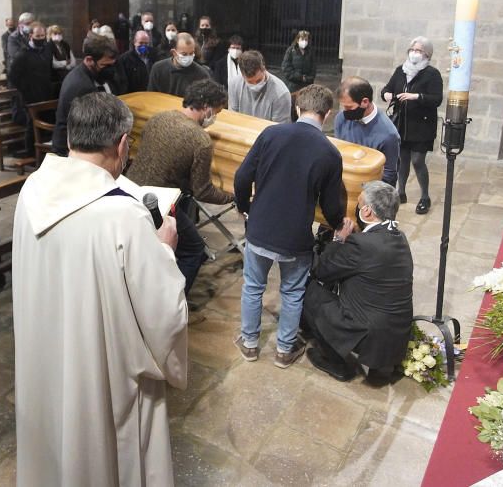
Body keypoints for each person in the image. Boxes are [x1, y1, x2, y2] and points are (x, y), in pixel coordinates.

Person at [12, 92, 187, 486]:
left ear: (71, 138)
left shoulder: (32, 189)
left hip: (45, 355)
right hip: (99, 371)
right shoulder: (122, 215)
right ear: (123, 144)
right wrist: (164, 250)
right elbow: (162, 314)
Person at [233, 84, 346, 367]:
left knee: (253, 287)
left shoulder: (271, 133)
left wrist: (247, 209)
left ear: (297, 108)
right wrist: (337, 226)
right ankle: (284, 351)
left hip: (260, 228)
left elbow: (242, 176)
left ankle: (249, 344)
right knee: (293, 292)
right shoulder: (330, 153)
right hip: (295, 237)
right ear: (328, 114)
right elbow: (332, 205)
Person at [127, 79, 233, 292]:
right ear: (206, 108)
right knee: (194, 248)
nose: (215, 118)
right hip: (160, 204)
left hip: (130, 191)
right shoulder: (200, 140)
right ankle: (175, 300)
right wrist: (231, 196)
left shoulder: (158, 118)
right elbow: (202, 191)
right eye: (216, 113)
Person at [303, 181, 414, 382]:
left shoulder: (362, 244)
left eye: (359, 203)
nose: (356, 206)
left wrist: (338, 240)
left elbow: (322, 271)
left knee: (307, 290)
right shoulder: (400, 238)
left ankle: (336, 363)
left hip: (369, 335)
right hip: (395, 336)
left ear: (367, 211)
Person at [382, 36, 444, 214]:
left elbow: (436, 99)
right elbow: (387, 88)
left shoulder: (432, 74)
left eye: (419, 51)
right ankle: (400, 192)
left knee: (418, 161)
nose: (415, 53)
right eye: (413, 50)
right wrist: (386, 94)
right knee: (402, 160)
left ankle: (425, 196)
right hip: (402, 123)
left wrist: (416, 96)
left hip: (421, 126)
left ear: (427, 54)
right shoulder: (400, 71)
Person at [51, 34, 118, 156]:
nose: (111, 70)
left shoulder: (92, 74)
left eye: (113, 65)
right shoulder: (83, 86)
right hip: (72, 150)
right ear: (89, 60)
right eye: (105, 66)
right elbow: (93, 127)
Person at [334, 76, 400, 187]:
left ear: (365, 102)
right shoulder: (341, 119)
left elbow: (389, 176)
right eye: (344, 107)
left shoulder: (389, 135)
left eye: (349, 107)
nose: (345, 112)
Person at [8, 22, 55, 154]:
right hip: (30, 96)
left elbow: (49, 70)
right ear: (30, 36)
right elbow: (13, 76)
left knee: (47, 120)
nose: (41, 38)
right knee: (32, 124)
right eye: (38, 35)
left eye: (43, 35)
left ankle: (44, 149)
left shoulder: (46, 50)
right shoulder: (22, 54)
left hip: (46, 93)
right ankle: (30, 150)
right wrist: (26, 89)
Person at [228, 50, 291, 122]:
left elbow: (279, 128)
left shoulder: (281, 93)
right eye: (250, 82)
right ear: (242, 75)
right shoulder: (234, 84)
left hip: (269, 132)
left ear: (264, 69)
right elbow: (233, 117)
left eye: (259, 80)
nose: (255, 85)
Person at [147, 32, 212, 97]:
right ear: (174, 52)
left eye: (191, 53)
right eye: (184, 54)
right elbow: (151, 97)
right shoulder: (158, 69)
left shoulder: (202, 74)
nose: (188, 57)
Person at [116, 29, 162, 94]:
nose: (143, 46)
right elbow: (123, 82)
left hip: (152, 94)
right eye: (140, 43)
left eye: (146, 43)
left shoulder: (155, 55)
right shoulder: (125, 59)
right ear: (134, 42)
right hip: (134, 95)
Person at [281, 30, 316, 95]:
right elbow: (286, 68)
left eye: (306, 40)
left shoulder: (310, 52)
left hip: (306, 87)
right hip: (292, 87)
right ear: (297, 40)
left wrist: (308, 78)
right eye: (302, 39)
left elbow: (313, 68)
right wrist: (300, 77)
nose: (304, 42)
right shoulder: (291, 51)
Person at [6, 11, 34, 76]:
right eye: (27, 24)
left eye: (31, 24)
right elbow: (16, 55)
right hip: (19, 72)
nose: (30, 26)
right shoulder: (13, 37)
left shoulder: (34, 34)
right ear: (20, 24)